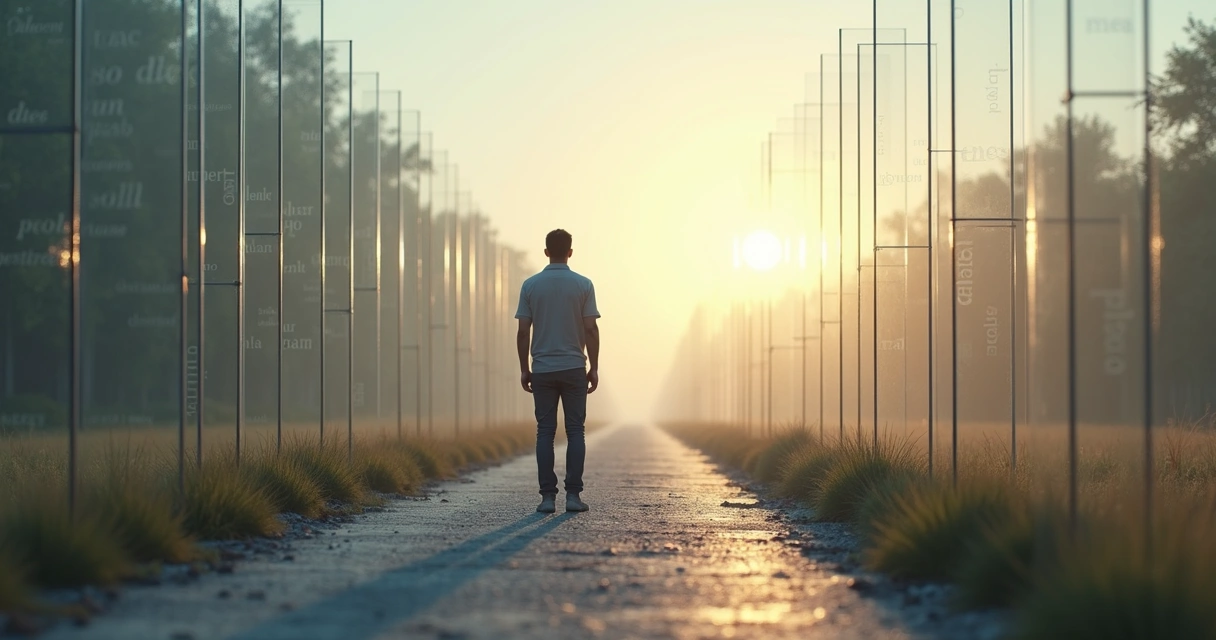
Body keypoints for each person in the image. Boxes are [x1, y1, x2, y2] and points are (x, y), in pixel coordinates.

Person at [515, 228, 600, 514]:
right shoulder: (584, 285)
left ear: (546, 252)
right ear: (571, 252)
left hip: (542, 369)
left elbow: (523, 331)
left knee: (545, 433)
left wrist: (524, 369)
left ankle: (547, 498)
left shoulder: (530, 286)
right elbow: (591, 328)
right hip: (575, 367)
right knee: (576, 431)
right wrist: (595, 367)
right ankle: (573, 497)